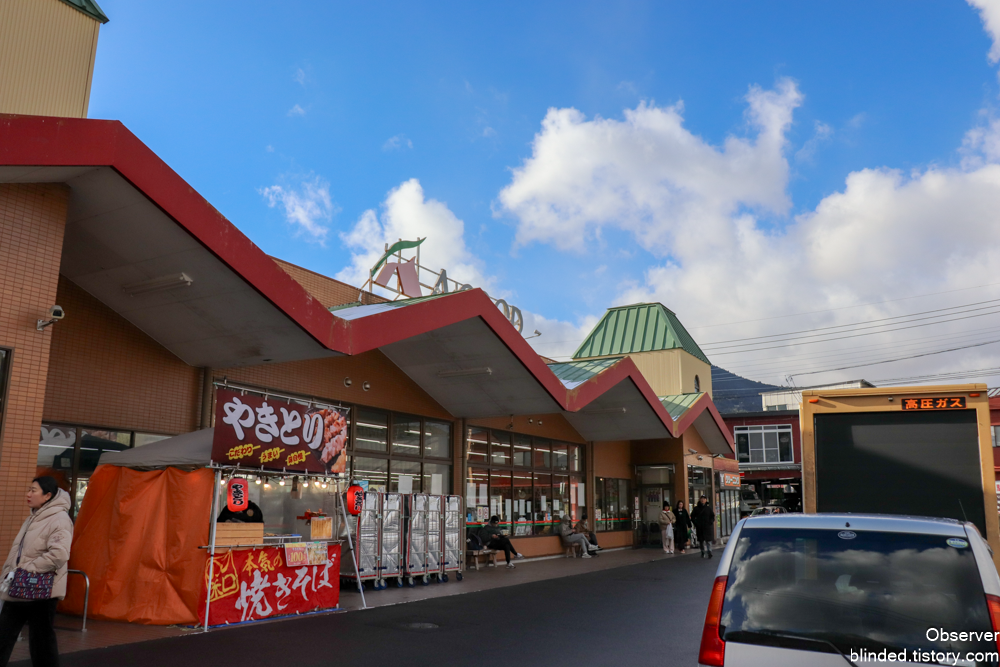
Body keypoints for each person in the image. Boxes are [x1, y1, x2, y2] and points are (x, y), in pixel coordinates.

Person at [0, 477, 73, 667]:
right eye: (29, 489)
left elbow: (59, 554)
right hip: (20, 586)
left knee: (41, 642)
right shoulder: (34, 516)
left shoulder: (59, 519)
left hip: (42, 590)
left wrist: (26, 570)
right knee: (5, 635)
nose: (28, 494)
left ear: (47, 495)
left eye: (33, 490)